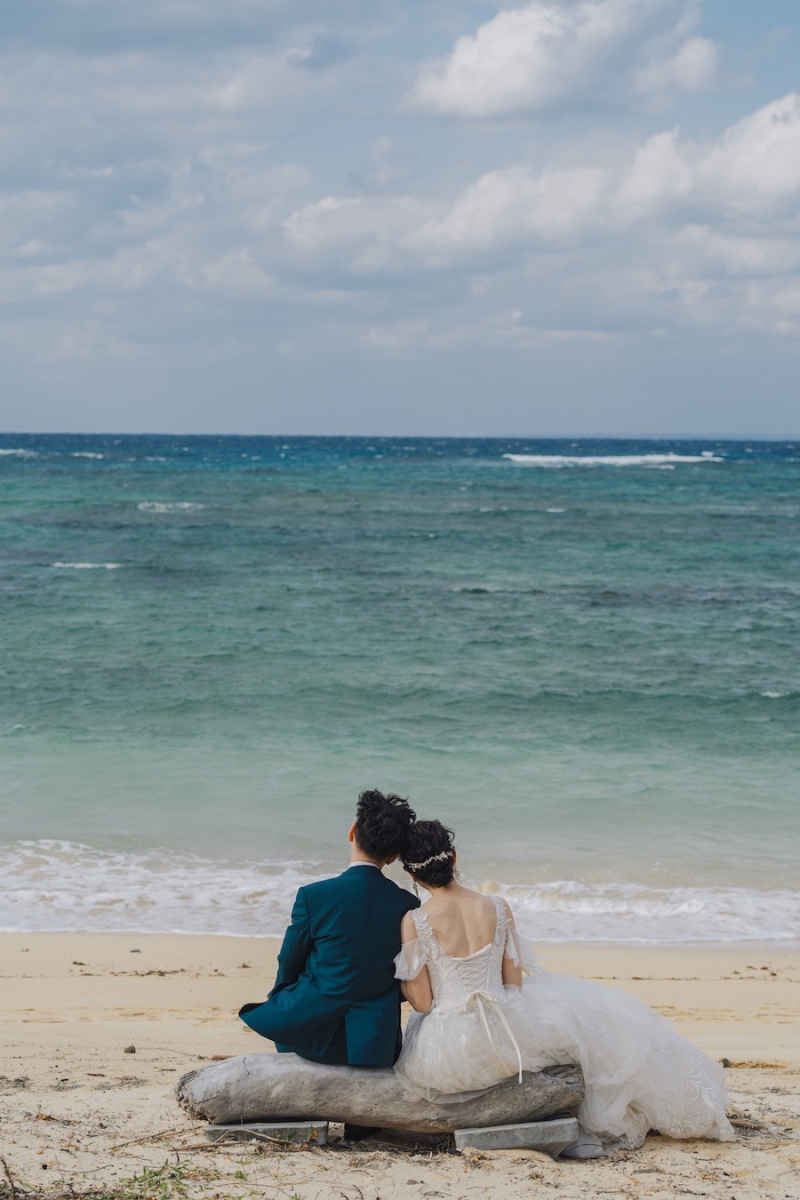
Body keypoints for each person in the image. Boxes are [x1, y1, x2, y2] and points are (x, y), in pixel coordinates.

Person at [393, 820, 734, 1156]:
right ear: (453, 857)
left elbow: (423, 1003)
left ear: (412, 874)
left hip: (451, 1052)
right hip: (508, 1027)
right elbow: (514, 983)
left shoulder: (416, 920)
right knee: (582, 1024)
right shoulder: (497, 906)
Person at [240, 789, 419, 1076]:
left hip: (312, 1038)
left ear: (352, 832)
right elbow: (405, 977)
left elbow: (288, 962)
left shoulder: (315, 896)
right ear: (393, 856)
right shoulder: (407, 904)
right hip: (376, 1044)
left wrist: (281, 997)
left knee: (281, 1007)